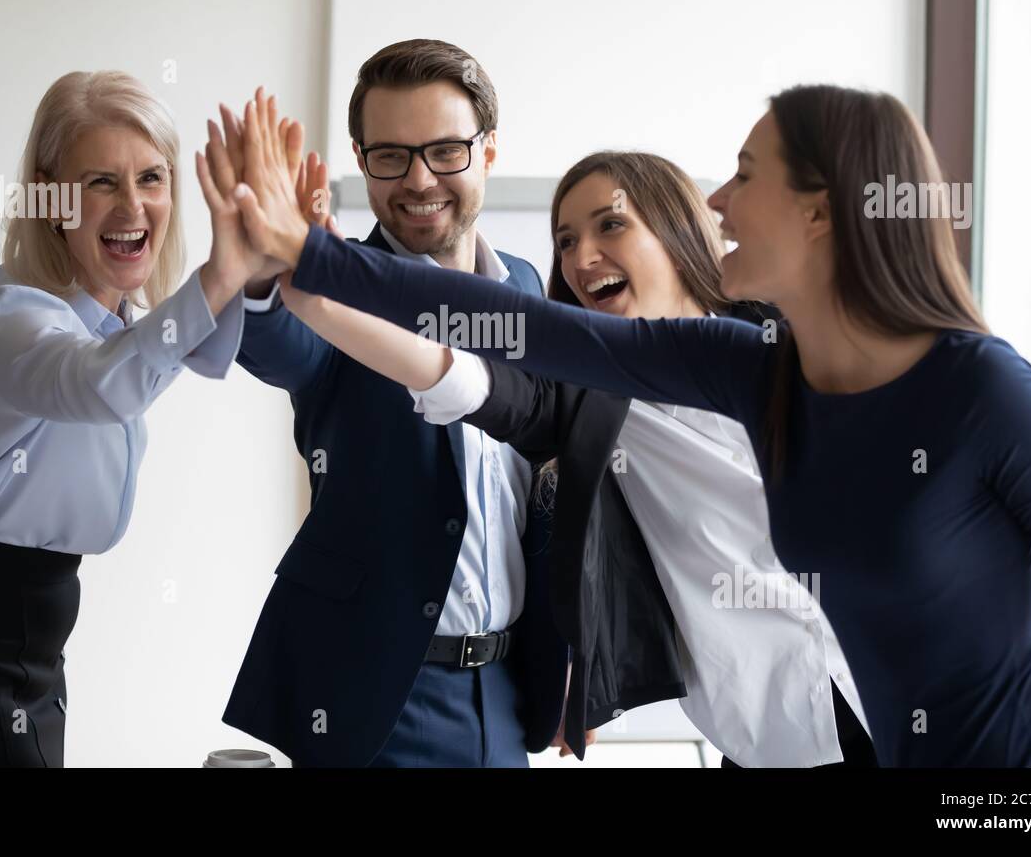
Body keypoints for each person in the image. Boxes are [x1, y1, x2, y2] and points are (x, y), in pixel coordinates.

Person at [238, 83, 1031, 767]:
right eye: (564, 239)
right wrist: (312, 262)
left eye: (744, 175)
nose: (721, 199)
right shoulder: (714, 374)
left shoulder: (974, 387)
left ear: (820, 211)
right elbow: (483, 344)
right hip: (776, 743)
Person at [274, 148, 878, 767]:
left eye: (610, 224)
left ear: (675, 227)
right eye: (565, 240)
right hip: (773, 738)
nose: (582, 257)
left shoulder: (796, 335)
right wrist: (323, 295)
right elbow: (458, 377)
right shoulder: (586, 399)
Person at [0, 70, 263, 766]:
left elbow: (170, 354)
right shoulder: (11, 318)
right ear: (51, 198)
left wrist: (257, 255)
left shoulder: (112, 325)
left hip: (30, 635)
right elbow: (103, 385)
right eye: (100, 183)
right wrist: (223, 272)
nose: (132, 205)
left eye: (151, 177)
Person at [218, 42, 567, 767]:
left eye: (444, 151)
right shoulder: (338, 283)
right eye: (390, 156)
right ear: (360, 158)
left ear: (489, 152)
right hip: (378, 697)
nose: (418, 180)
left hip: (505, 694)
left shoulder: (529, 287)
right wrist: (259, 279)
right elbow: (284, 345)